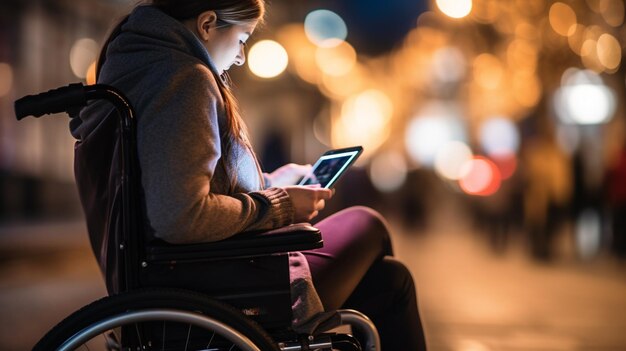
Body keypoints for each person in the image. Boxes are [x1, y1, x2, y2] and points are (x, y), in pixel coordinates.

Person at [75, 0, 427, 349]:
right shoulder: (185, 80)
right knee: (368, 224)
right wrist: (281, 206)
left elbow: (181, 183)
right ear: (208, 24)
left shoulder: (137, 66)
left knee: (391, 281)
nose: (242, 56)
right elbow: (179, 216)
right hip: (218, 282)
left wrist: (272, 182)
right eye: (243, 38)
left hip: (182, 274)